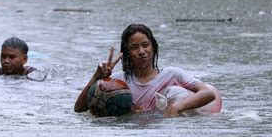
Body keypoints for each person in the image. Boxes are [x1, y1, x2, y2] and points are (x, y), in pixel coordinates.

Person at [74, 24, 219, 117]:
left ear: (153, 48)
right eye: (134, 47)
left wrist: (177, 107)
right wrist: (96, 77)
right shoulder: (117, 83)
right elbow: (79, 109)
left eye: (145, 45)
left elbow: (208, 93)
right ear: (126, 52)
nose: (141, 51)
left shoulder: (172, 75)